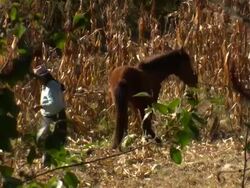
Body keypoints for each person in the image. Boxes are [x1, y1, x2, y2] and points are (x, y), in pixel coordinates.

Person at [33, 64, 67, 165]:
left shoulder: (52, 86)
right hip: (48, 116)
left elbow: (55, 104)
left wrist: (41, 106)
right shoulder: (47, 85)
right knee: (46, 140)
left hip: (55, 117)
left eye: (39, 78)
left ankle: (50, 163)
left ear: (43, 77)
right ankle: (48, 163)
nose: (38, 81)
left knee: (52, 141)